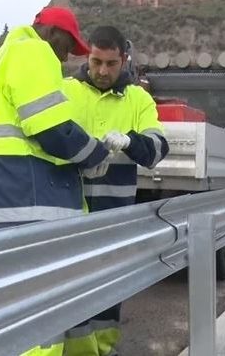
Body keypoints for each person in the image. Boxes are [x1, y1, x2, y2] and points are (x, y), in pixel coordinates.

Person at [0, 6, 111, 356]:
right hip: (22, 193)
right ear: (51, 33)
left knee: (4, 300)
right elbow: (52, 128)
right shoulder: (33, 50)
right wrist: (95, 156)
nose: (64, 58)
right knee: (39, 306)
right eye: (66, 47)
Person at [62, 26, 169, 356]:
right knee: (73, 288)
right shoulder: (66, 90)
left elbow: (157, 148)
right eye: (96, 62)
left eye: (110, 63)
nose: (102, 71)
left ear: (123, 60)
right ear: (88, 57)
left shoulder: (138, 99)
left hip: (114, 216)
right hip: (69, 213)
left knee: (108, 291)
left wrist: (131, 142)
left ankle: (104, 350)